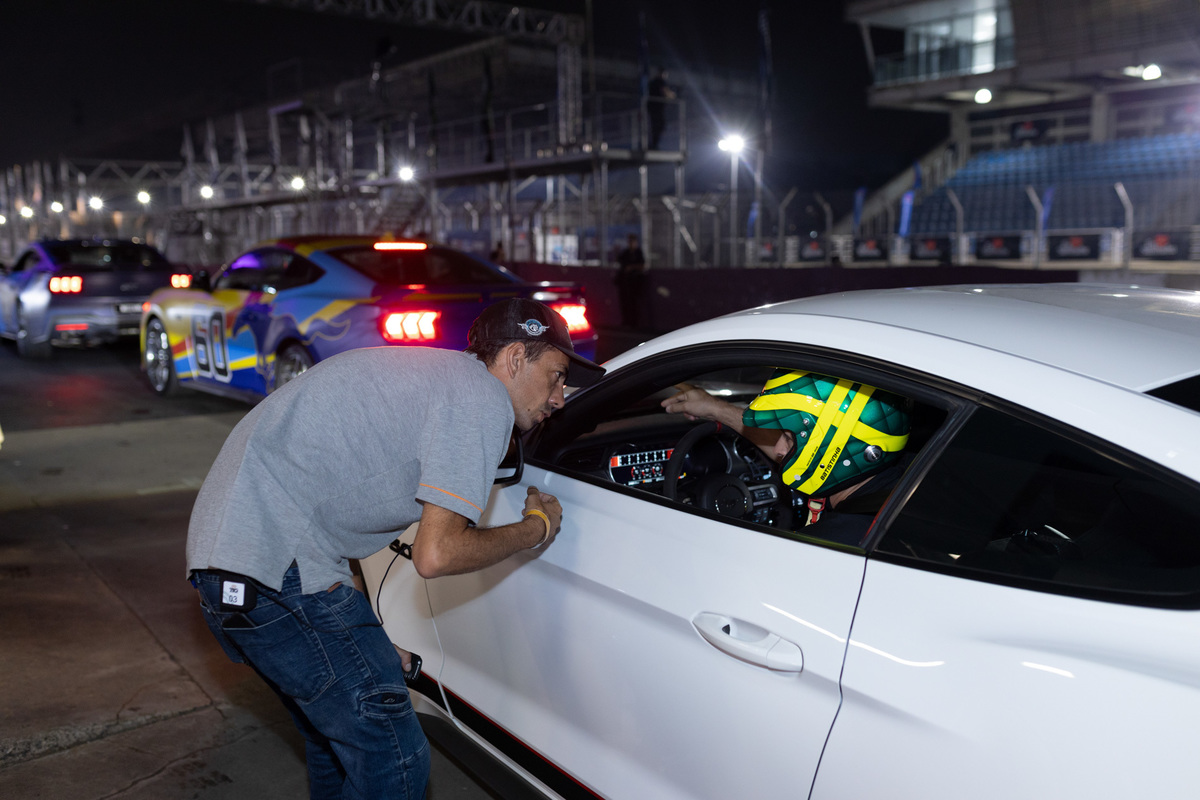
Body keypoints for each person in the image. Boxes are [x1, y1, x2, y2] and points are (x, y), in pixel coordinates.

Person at [186, 298, 604, 800]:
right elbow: (437, 553)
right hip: (278, 569)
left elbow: (329, 500)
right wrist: (536, 527)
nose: (559, 398)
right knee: (394, 756)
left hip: (232, 562)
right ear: (515, 358)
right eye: (556, 376)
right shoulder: (481, 400)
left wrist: (368, 636)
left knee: (338, 744)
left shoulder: (436, 378)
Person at [662, 369, 911, 543]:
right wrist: (714, 408)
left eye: (789, 439)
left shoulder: (827, 547)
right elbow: (813, 451)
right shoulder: (910, 479)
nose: (779, 449)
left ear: (836, 450)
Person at [614, 233, 647, 329]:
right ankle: (627, 321)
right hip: (625, 282)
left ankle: (634, 322)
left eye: (632, 241)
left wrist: (631, 267)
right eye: (630, 241)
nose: (631, 243)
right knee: (625, 302)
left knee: (634, 303)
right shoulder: (626, 253)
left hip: (635, 282)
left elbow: (642, 265)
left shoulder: (638, 252)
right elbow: (619, 261)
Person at [647, 67, 677, 150]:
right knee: (660, 125)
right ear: (663, 74)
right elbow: (665, 91)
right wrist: (672, 95)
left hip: (653, 107)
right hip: (657, 107)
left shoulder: (653, 82)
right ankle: (654, 145)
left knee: (655, 126)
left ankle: (653, 144)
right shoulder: (660, 81)